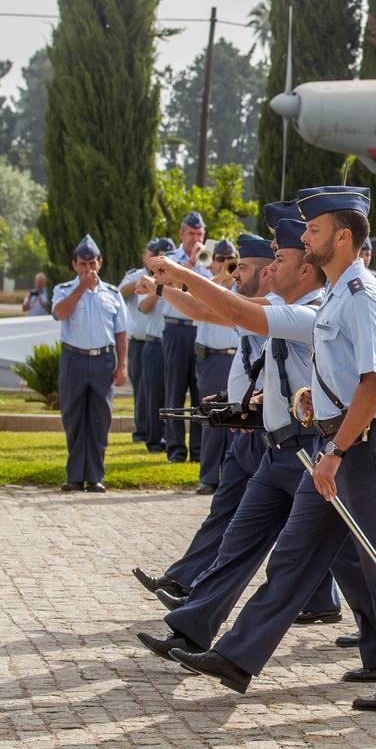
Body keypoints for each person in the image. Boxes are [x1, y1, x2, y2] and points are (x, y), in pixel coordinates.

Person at [166, 185, 376, 712]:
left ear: (341, 236)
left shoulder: (361, 293)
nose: (304, 235)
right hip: (335, 443)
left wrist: (334, 448)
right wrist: (317, 401)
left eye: (312, 229)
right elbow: (343, 371)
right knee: (293, 556)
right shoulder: (337, 294)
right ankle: (238, 656)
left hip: (360, 447)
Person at [130, 232, 275, 600]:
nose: (235, 272)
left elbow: (210, 309)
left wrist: (171, 282)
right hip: (249, 427)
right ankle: (185, 581)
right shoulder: (253, 304)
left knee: (295, 526)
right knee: (225, 511)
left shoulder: (270, 307)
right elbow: (208, 313)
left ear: (266, 271)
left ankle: (326, 599)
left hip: (271, 434)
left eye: (242, 266)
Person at [51, 235, 128, 492]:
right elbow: (59, 313)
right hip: (73, 358)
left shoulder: (113, 294)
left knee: (100, 419)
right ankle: (74, 477)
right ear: (74, 265)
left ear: (100, 263)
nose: (88, 269)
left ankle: (95, 476)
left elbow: (121, 333)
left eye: (92, 263)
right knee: (73, 418)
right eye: (83, 264)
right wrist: (81, 288)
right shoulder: (63, 290)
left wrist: (122, 366)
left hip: (103, 360)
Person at [191, 239, 242, 493]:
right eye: (220, 259)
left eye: (230, 258)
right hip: (212, 358)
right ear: (213, 261)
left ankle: (232, 477)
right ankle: (208, 477)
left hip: (237, 358)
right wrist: (221, 279)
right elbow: (195, 298)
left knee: (237, 418)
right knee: (212, 417)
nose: (225, 264)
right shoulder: (207, 284)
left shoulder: (243, 287)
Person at [161, 211, 211, 464]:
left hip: (201, 327)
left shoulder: (211, 260)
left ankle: (199, 451)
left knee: (200, 391)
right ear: (181, 234)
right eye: (191, 233)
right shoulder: (170, 260)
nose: (196, 238)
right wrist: (190, 266)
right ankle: (176, 449)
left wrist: (204, 262)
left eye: (200, 233)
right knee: (175, 390)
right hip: (176, 328)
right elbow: (167, 286)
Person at [118, 240, 166, 446]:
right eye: (150, 253)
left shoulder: (171, 276)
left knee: (162, 390)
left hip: (163, 340)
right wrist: (144, 278)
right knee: (141, 389)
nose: (153, 256)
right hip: (139, 342)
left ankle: (160, 431)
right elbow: (120, 293)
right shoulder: (135, 274)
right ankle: (142, 430)